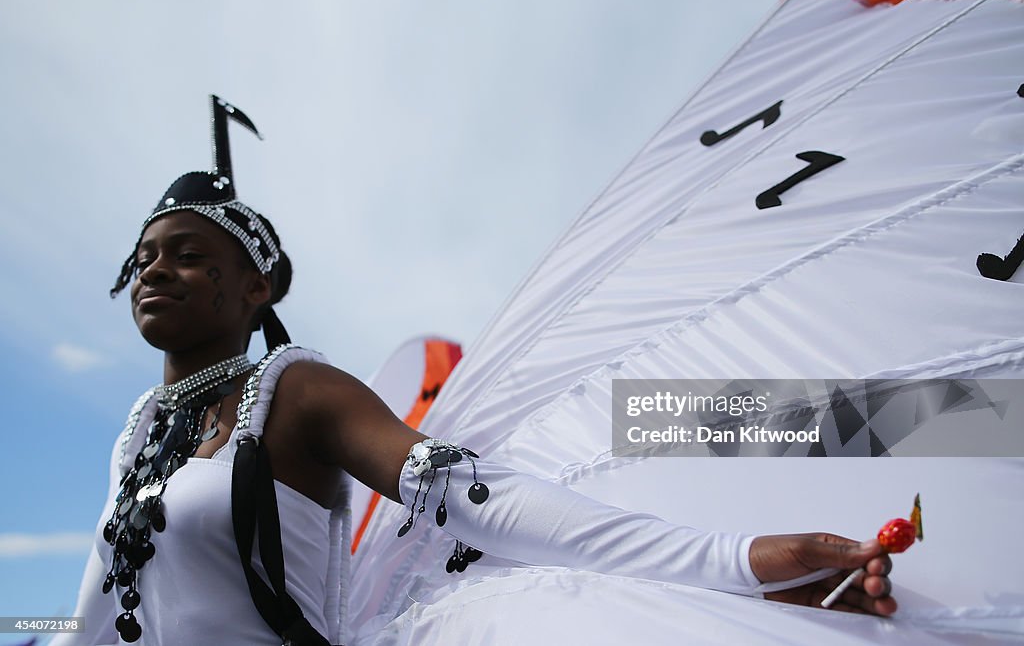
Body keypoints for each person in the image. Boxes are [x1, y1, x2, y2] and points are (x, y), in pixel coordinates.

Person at [56, 96, 896, 646]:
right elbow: (89, 620)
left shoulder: (298, 392)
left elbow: (483, 497)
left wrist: (734, 558)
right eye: (144, 258)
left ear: (255, 285)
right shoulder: (140, 434)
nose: (155, 271)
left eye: (187, 255)